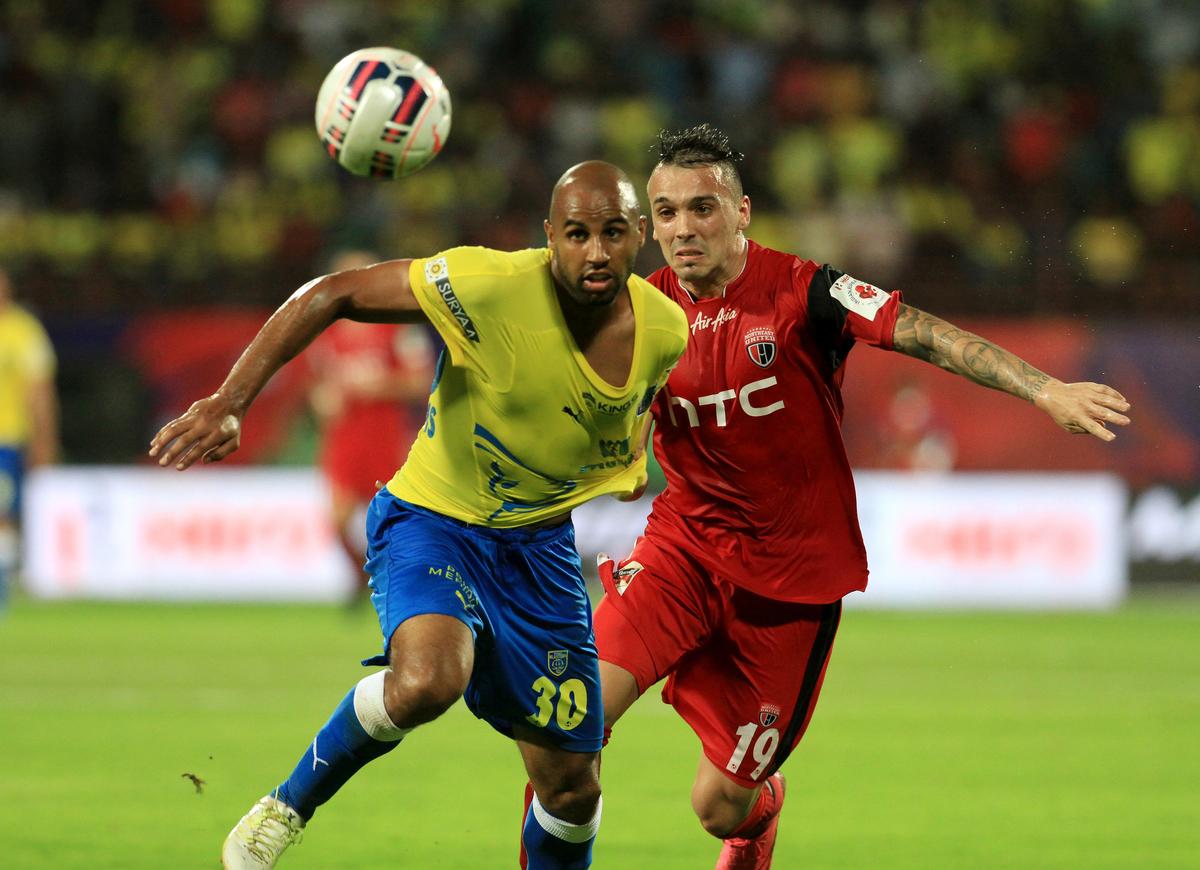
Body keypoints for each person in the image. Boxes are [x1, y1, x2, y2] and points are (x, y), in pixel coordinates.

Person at [587, 126, 1132, 869]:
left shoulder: (806, 290)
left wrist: (1044, 388)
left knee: (719, 809)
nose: (685, 229)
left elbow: (924, 335)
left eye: (703, 208)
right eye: (668, 213)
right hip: (681, 551)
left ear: (741, 211)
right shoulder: (637, 313)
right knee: (569, 720)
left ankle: (761, 811)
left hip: (790, 584)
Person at [149, 161, 689, 869]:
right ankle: (287, 806)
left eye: (614, 233)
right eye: (577, 233)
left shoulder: (665, 331)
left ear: (641, 236)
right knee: (431, 679)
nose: (595, 252)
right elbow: (334, 291)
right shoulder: (486, 285)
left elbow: (624, 419)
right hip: (433, 521)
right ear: (548, 236)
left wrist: (625, 465)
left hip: (540, 551)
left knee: (570, 789)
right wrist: (231, 400)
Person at [306, 249, 436, 602]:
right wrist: (323, 399)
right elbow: (317, 387)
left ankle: (400, 582)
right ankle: (359, 579)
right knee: (336, 520)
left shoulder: (398, 330)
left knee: (395, 524)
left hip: (386, 436)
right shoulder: (326, 335)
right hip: (345, 438)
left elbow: (422, 381)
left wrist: (380, 386)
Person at [0, 267, 59, 604]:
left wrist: (43, 443)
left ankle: (4, 585)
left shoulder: (22, 331)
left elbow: (40, 393)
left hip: (5, 440)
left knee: (3, 513)